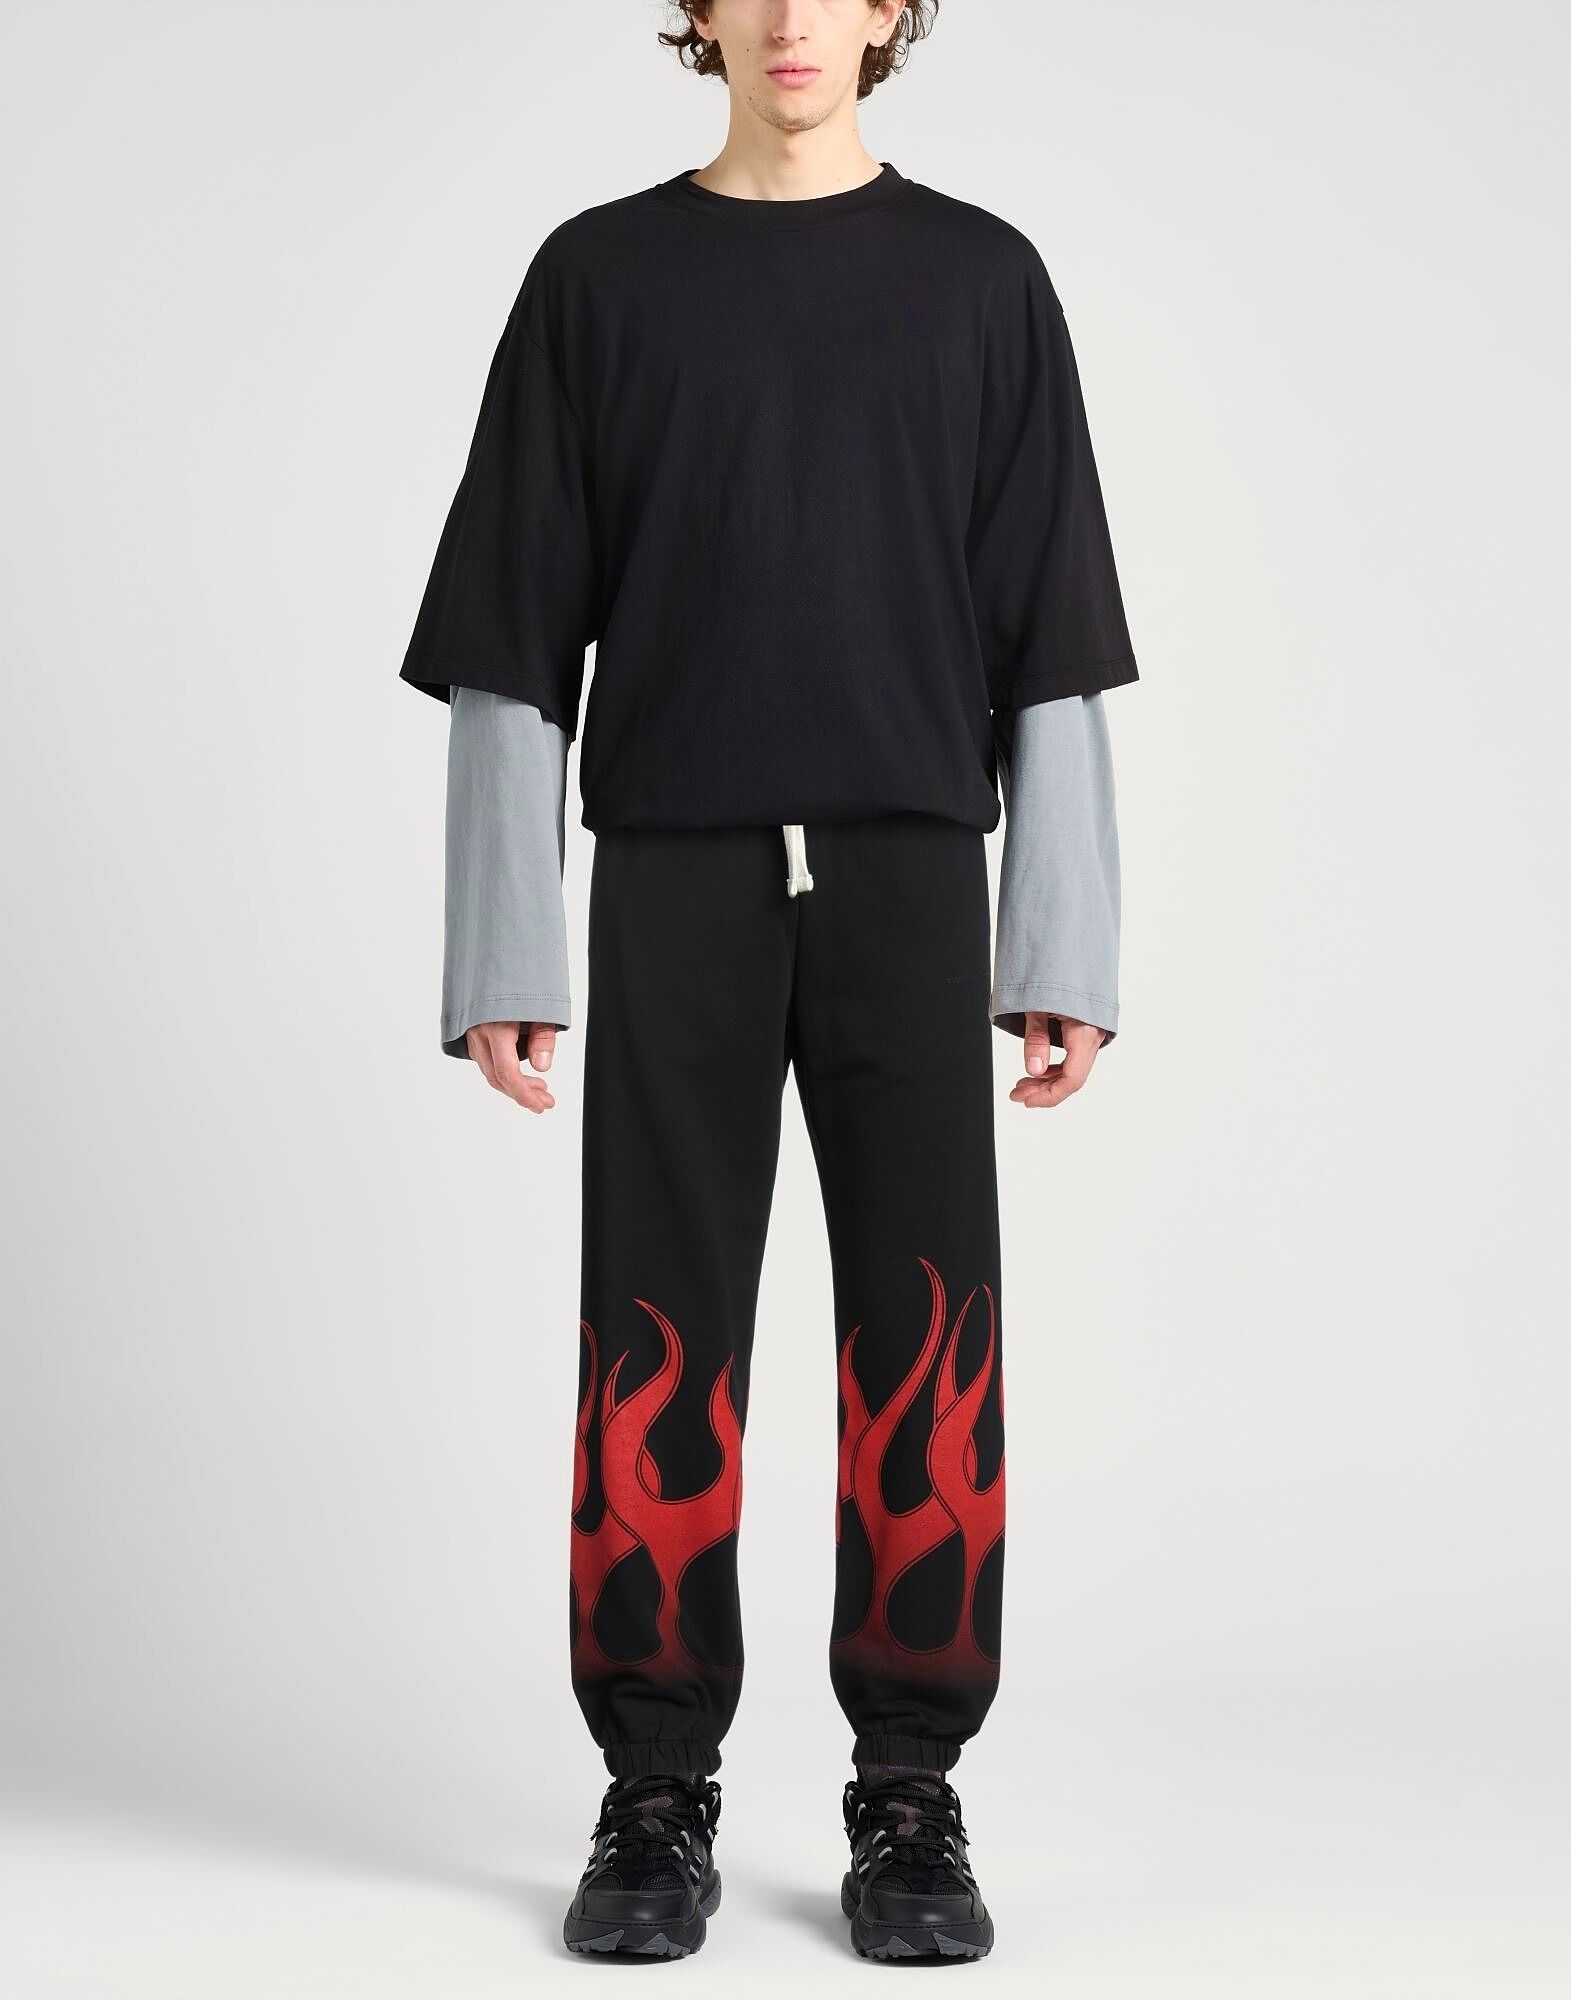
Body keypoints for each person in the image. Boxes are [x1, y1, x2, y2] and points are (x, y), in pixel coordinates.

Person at [399, 0, 1137, 1963]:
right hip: (676, 871)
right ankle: (655, 1785)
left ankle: (911, 1784)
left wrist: (1061, 939)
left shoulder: (982, 283)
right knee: (655, 1317)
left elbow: (1052, 612)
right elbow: (513, 618)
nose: (795, 18)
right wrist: (505, 940)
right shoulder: (599, 279)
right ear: (699, 9)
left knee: (928, 1323)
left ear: (894, 10)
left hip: (911, 875)